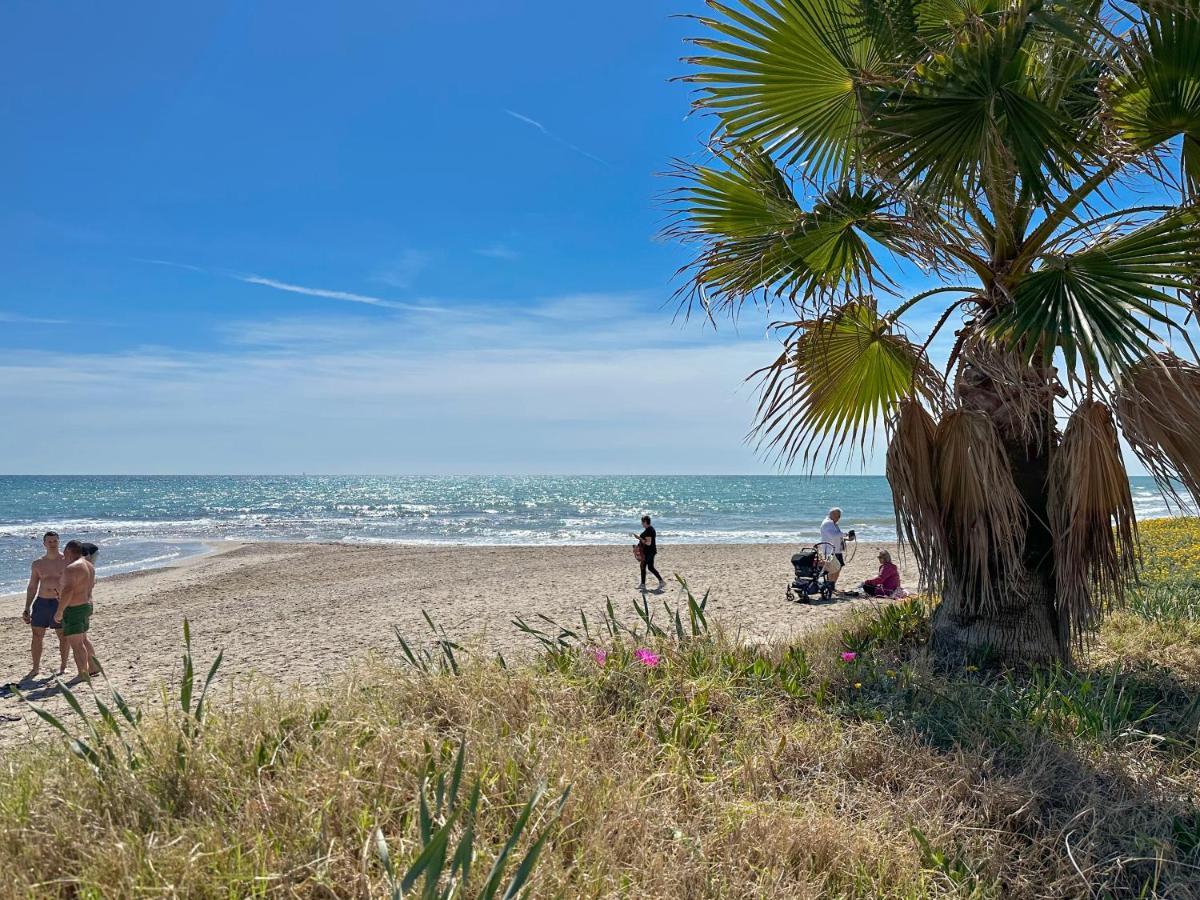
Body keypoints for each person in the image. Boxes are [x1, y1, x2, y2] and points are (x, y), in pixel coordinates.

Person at [21, 531, 69, 680]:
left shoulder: (66, 561)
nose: (52, 544)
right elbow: (32, 586)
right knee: (36, 636)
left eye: (55, 541)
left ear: (59, 542)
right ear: (44, 544)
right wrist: (27, 607)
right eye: (49, 542)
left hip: (59, 602)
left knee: (63, 635)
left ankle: (63, 667)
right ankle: (35, 668)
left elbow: (73, 583)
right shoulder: (38, 563)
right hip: (41, 602)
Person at [53, 540, 96, 683]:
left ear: (68, 551)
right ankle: (93, 667)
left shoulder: (71, 568)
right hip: (86, 605)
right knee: (83, 639)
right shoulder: (89, 565)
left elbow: (68, 591)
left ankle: (82, 673)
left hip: (75, 608)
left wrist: (59, 611)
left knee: (76, 643)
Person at [819, 508, 855, 590]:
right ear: (832, 514)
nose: (839, 517)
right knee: (834, 568)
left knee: (835, 568)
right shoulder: (828, 523)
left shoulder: (832, 524)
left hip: (834, 550)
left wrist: (848, 538)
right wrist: (845, 534)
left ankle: (831, 585)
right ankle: (830, 585)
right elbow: (833, 535)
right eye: (837, 515)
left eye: (839, 516)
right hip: (831, 550)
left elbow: (837, 537)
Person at [633, 515, 664, 592]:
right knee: (648, 567)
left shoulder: (649, 530)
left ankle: (644, 584)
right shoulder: (649, 529)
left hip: (649, 552)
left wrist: (639, 538)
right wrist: (637, 546)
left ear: (645, 522)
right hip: (649, 551)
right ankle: (659, 582)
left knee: (645, 566)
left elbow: (648, 543)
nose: (641, 524)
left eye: (642, 522)